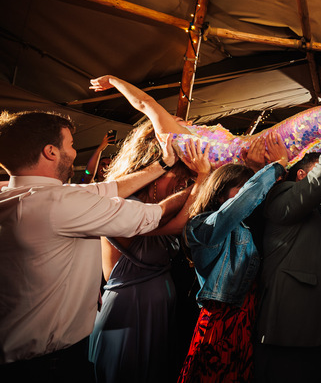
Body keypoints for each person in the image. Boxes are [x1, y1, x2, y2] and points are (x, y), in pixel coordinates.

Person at [0, 111, 185, 381]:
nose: (74, 152)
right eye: (71, 144)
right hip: (48, 365)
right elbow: (153, 215)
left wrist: (163, 165)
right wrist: (207, 180)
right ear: (51, 152)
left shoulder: (16, 194)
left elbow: (107, 189)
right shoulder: (58, 204)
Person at [89, 75, 321, 169]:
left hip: (272, 151)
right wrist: (116, 82)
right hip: (273, 145)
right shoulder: (170, 137)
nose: (171, 116)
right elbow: (144, 102)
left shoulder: (185, 150)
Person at [252, 102, 321, 383]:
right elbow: (320, 179)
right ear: (302, 176)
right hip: (293, 328)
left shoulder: (318, 208)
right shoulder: (280, 196)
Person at [88, 123, 202, 383]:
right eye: (180, 178)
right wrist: (203, 181)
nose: (183, 185)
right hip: (130, 311)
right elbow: (175, 224)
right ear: (154, 174)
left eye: (187, 181)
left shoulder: (156, 205)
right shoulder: (126, 207)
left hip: (159, 311)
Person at [179, 132, 288, 383]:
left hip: (247, 319)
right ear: (220, 194)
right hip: (222, 322)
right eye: (239, 188)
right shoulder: (201, 227)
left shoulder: (247, 227)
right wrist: (278, 165)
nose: (247, 195)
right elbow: (244, 201)